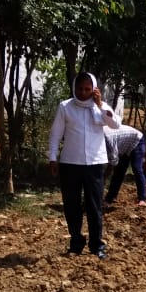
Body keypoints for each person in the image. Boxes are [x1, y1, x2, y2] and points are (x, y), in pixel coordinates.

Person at [48, 72, 119, 259]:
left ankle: (96, 245)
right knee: (71, 205)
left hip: (95, 164)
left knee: (94, 206)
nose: (83, 92)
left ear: (94, 89)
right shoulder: (65, 107)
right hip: (70, 163)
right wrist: (53, 158)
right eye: (80, 89)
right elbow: (55, 134)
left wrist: (100, 104)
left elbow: (115, 124)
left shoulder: (100, 108)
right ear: (74, 88)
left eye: (88, 89)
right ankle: (76, 243)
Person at [104, 124, 146, 207]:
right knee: (119, 172)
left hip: (136, 140)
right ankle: (110, 199)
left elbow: (112, 163)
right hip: (124, 145)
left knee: (136, 168)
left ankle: (142, 199)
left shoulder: (107, 140)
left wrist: (104, 178)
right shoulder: (95, 136)